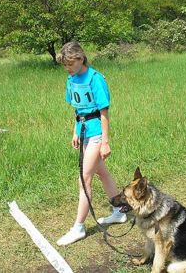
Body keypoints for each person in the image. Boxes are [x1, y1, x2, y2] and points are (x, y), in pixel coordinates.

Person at [56, 42, 127, 246]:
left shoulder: (96, 79)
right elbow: (78, 109)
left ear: (80, 58)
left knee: (84, 178)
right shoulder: (71, 78)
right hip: (84, 132)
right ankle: (119, 211)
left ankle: (78, 228)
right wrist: (75, 131)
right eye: (65, 65)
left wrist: (105, 142)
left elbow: (104, 113)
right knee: (101, 172)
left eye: (70, 64)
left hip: (97, 134)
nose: (68, 69)